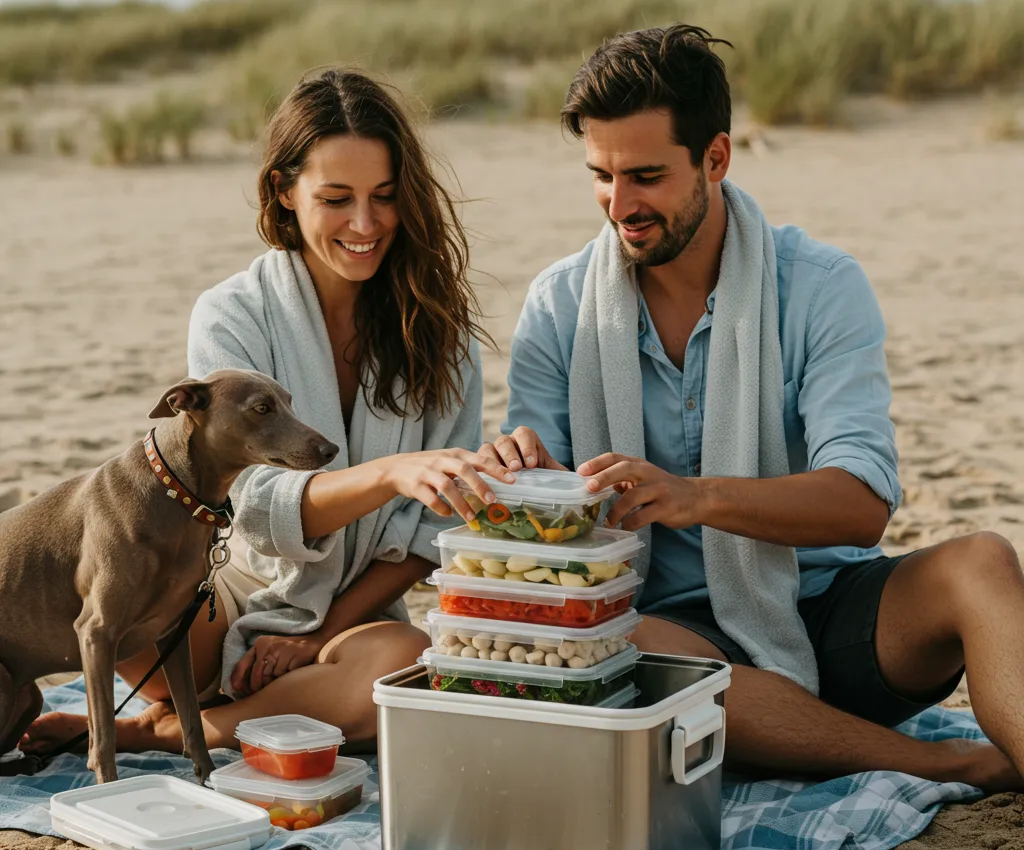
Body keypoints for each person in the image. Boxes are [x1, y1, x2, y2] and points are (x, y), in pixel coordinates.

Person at [485, 25, 1024, 792]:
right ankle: (947, 763)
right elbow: (538, 494)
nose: (620, 205)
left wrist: (696, 497)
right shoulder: (560, 305)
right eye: (601, 176)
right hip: (674, 634)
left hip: (835, 614)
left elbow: (863, 505)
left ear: (716, 158)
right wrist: (519, 476)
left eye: (645, 176)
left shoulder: (821, 285)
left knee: (982, 562)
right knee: (606, 644)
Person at [24, 68, 510, 758]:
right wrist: (391, 472)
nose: (365, 224)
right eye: (336, 199)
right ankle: (216, 704)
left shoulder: (438, 333)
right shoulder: (233, 314)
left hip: (351, 618)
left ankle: (159, 732)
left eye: (385, 196)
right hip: (216, 597)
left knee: (403, 665)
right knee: (100, 574)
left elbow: (429, 530)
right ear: (284, 191)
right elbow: (249, 505)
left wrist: (315, 631)